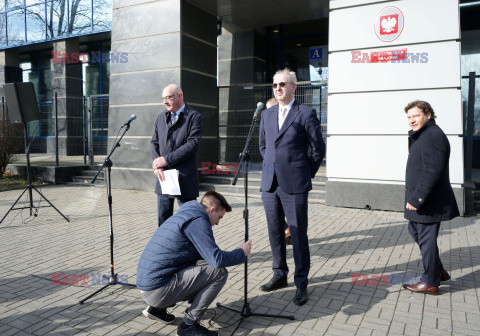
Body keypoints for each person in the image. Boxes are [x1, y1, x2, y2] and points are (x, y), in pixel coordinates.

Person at [137, 191, 252, 336]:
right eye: (219, 217)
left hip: (147, 285)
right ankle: (188, 326)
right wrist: (241, 253)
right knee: (219, 272)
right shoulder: (198, 222)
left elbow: (205, 257)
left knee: (203, 265)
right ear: (211, 210)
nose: (217, 223)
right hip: (156, 290)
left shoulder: (187, 212)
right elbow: (217, 260)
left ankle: (157, 309)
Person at [259, 68, 326, 305]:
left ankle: (301, 283)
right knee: (275, 233)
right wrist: (272, 166)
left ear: (293, 87)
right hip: (270, 183)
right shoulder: (267, 115)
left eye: (283, 84)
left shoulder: (306, 113)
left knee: (297, 234)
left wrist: (305, 172)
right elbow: (263, 146)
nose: (278, 88)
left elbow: (318, 148)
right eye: (275, 85)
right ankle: (279, 275)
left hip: (295, 184)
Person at [402, 100, 459, 294]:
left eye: (416, 116)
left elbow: (432, 172)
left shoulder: (433, 136)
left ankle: (430, 282)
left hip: (428, 202)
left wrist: (417, 198)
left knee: (425, 238)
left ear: (428, 115)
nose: (412, 120)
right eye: (409, 117)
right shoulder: (425, 134)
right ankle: (438, 270)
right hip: (423, 200)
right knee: (415, 230)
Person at [151, 84, 203, 226]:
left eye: (168, 97)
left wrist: (165, 160)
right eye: (163, 98)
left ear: (180, 96)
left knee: (190, 220)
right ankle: (166, 248)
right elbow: (154, 143)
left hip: (184, 178)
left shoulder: (194, 117)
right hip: (163, 177)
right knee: (163, 221)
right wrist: (157, 165)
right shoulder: (161, 117)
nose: (165, 102)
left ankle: (190, 248)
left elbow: (192, 145)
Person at [265, 96, 292, 245]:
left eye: (270, 110)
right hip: (271, 174)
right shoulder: (268, 123)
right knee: (275, 207)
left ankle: (290, 231)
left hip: (288, 174)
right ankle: (286, 231)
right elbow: (263, 147)